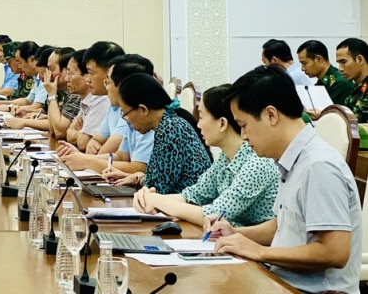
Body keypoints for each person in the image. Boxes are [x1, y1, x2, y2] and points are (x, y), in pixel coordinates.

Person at [209, 65, 361, 294]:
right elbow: (284, 226)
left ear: (271, 115)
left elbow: (335, 252)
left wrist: (259, 251)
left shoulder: (318, 166)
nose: (243, 136)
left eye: (243, 125)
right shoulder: (292, 160)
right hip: (281, 282)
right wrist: (237, 234)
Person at [132, 84, 279, 227]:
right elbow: (193, 196)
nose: (198, 125)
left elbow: (215, 214)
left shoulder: (257, 163)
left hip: (259, 245)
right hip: (234, 241)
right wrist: (147, 198)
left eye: (201, 117)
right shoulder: (225, 159)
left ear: (222, 123)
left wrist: (158, 201)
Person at [106, 73, 210, 194]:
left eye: (125, 114)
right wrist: (136, 178)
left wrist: (140, 180)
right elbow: (159, 180)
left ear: (143, 110)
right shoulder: (167, 124)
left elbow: (160, 190)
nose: (127, 120)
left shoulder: (171, 129)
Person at [58, 54, 155, 177]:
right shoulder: (125, 111)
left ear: (124, 86)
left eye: (108, 82)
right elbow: (122, 156)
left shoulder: (145, 117)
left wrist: (86, 161)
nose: (106, 87)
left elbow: (138, 168)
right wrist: (82, 157)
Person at [81, 41, 124, 153]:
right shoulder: (112, 103)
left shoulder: (130, 108)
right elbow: (94, 141)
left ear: (111, 71)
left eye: (91, 73)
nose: (87, 79)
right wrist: (93, 144)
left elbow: (105, 152)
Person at [65, 49, 108, 150]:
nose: (66, 78)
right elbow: (68, 133)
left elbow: (83, 143)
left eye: (70, 73)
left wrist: (78, 132)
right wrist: (80, 133)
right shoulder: (85, 100)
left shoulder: (101, 100)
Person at [296, 39, 354, 103]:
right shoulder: (324, 80)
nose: (302, 68)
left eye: (304, 63)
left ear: (318, 59)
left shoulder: (339, 83)